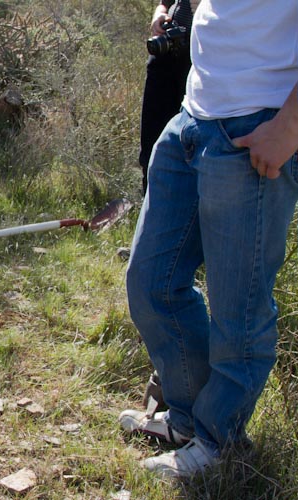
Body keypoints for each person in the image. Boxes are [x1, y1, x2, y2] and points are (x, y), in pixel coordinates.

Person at [120, 0, 298, 478]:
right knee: (151, 281)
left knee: (238, 307)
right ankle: (187, 421)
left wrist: (289, 128)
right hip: (192, 118)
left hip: (256, 126)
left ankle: (221, 444)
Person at [138, 0, 198, 193]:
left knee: (193, 146)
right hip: (165, 52)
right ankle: (149, 206)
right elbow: (165, 3)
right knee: (152, 144)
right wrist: (158, 16)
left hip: (199, 60)